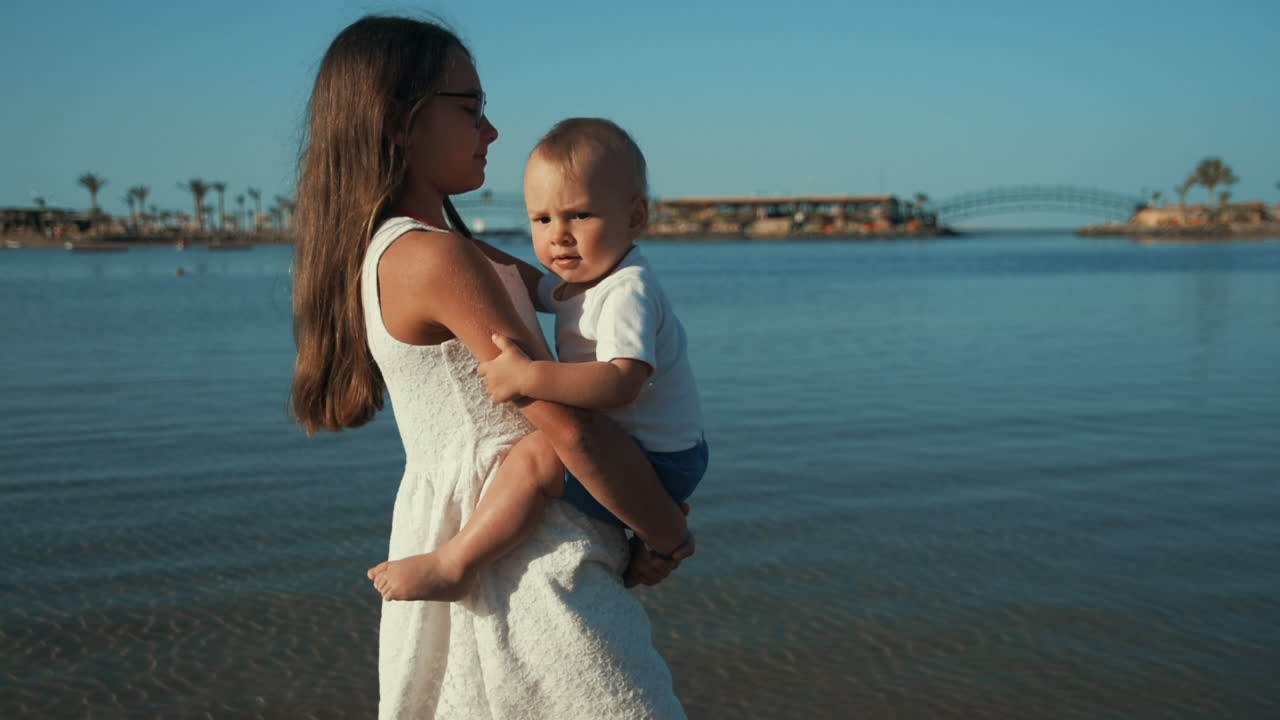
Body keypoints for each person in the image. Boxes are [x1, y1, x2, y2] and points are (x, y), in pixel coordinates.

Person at [289, 16, 692, 719]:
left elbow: (567, 297)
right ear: (400, 121)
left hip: (498, 537)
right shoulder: (434, 258)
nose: (492, 131)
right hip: (528, 565)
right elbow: (571, 430)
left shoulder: (435, 248)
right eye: (470, 108)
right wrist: (666, 534)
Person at [367, 118, 707, 604]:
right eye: (542, 220)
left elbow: (621, 382)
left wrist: (530, 375)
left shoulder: (627, 292)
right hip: (648, 447)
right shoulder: (584, 280)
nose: (559, 236)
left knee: (537, 455)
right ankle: (641, 546)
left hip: (660, 456)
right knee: (547, 453)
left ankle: (456, 563)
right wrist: (456, 246)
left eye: (580, 216)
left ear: (634, 218)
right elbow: (524, 281)